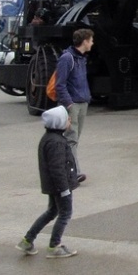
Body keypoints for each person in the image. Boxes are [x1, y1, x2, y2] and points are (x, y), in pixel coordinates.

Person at [17, 105, 79, 258]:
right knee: (65, 213)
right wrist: (64, 188)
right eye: (67, 119)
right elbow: (57, 168)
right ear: (59, 123)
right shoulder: (56, 142)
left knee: (52, 211)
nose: (69, 120)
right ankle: (54, 246)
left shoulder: (49, 139)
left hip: (53, 185)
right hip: (60, 186)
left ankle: (27, 240)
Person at [55, 27, 92, 184]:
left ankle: (63, 169)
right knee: (71, 139)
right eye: (91, 40)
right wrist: (69, 104)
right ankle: (73, 173)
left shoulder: (81, 59)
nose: (92, 43)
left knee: (73, 139)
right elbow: (60, 84)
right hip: (73, 105)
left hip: (82, 103)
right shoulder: (67, 58)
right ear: (84, 42)